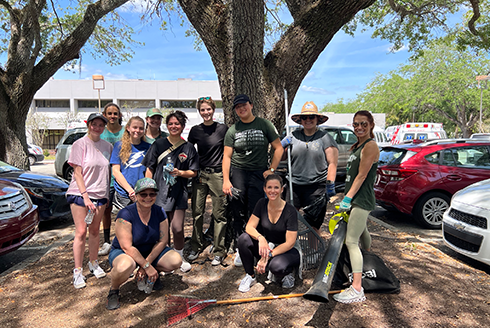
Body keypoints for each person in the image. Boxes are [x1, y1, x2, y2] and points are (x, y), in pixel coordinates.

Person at [222, 94, 284, 266]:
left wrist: (271, 170)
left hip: (258, 173)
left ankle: (257, 244)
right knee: (237, 211)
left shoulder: (264, 124)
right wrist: (226, 180)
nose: (241, 109)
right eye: (237, 107)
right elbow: (227, 156)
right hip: (238, 173)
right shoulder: (233, 130)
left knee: (256, 211)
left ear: (251, 105)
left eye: (244, 105)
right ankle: (240, 248)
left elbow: (278, 148)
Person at [106, 178, 182, 310]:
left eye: (152, 194)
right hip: (124, 252)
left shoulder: (159, 212)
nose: (148, 197)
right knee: (124, 266)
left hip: (150, 250)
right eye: (143, 194)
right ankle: (114, 290)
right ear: (136, 196)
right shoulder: (125, 214)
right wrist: (146, 265)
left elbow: (163, 241)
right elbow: (126, 246)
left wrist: (146, 265)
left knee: (176, 260)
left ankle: (152, 274)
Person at [142, 110, 199, 273]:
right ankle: (165, 258)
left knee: (178, 228)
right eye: (171, 123)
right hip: (160, 193)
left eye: (177, 124)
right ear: (167, 125)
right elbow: (149, 167)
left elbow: (193, 172)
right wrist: (149, 189)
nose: (174, 126)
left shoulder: (188, 148)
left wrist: (180, 173)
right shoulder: (158, 145)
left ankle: (179, 256)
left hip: (179, 193)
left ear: (182, 126)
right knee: (163, 229)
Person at [333, 110, 379, 304]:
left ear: (371, 125)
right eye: (355, 124)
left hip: (361, 199)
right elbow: (352, 177)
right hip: (355, 198)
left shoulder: (370, 146)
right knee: (362, 232)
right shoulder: (358, 146)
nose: (359, 127)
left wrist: (347, 199)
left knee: (351, 241)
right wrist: (345, 196)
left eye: (363, 124)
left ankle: (357, 288)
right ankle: (370, 264)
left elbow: (361, 176)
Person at [66, 113, 113, 289]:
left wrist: (106, 195)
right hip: (81, 194)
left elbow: (106, 173)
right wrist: (85, 196)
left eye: (101, 125)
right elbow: (77, 173)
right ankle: (77, 270)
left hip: (100, 195)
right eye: (95, 124)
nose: (97, 128)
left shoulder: (107, 146)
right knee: (80, 232)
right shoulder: (80, 144)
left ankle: (93, 263)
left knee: (94, 231)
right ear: (89, 125)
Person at [236, 174, 300, 292]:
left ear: (282, 189)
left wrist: (268, 256)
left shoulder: (290, 210)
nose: (272, 191)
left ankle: (289, 272)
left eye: (276, 187)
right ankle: (250, 276)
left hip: (287, 250)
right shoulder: (262, 203)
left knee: (275, 266)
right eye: (269, 187)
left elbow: (290, 243)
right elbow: (249, 227)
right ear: (264, 189)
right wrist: (261, 238)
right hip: (268, 245)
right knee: (243, 239)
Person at [283, 101, 339, 233]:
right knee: (290, 222)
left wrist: (330, 184)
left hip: (315, 187)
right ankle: (293, 250)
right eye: (304, 117)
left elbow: (332, 163)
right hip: (294, 185)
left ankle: (314, 252)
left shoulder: (325, 138)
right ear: (300, 120)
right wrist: (281, 145)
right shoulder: (293, 136)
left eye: (311, 117)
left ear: (317, 119)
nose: (308, 120)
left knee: (313, 226)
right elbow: (281, 157)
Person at [187, 97, 228, 266]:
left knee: (219, 214)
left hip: (218, 175)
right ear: (199, 112)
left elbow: (228, 154)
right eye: (202, 110)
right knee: (197, 212)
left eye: (208, 109)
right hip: (200, 175)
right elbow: (189, 152)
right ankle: (197, 245)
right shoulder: (195, 130)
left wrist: (227, 178)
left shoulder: (223, 129)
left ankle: (219, 250)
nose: (206, 113)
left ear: (213, 110)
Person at [99, 103, 125, 256]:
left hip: (123, 176)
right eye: (109, 113)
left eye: (115, 113)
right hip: (106, 177)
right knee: (106, 210)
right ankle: (107, 241)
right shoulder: (101, 132)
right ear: (105, 115)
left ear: (120, 115)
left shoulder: (125, 132)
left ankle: (123, 239)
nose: (113, 116)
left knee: (123, 211)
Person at [110, 116, 151, 210]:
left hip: (142, 193)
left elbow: (149, 170)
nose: (138, 130)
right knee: (124, 222)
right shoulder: (118, 146)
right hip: (123, 193)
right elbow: (116, 171)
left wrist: (142, 190)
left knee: (141, 222)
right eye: (135, 127)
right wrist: (130, 191)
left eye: (141, 128)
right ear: (128, 128)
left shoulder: (148, 147)